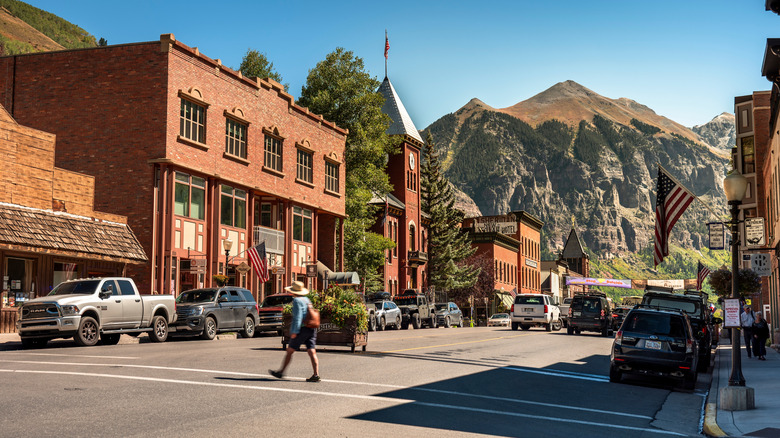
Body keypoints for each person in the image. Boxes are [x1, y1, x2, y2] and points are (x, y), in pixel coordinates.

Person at [270, 281, 320, 382]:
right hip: (311, 328)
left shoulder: (297, 301)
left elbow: (298, 317)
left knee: (290, 351)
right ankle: (316, 374)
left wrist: (294, 332)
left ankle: (281, 372)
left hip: (302, 329)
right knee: (311, 350)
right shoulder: (307, 299)